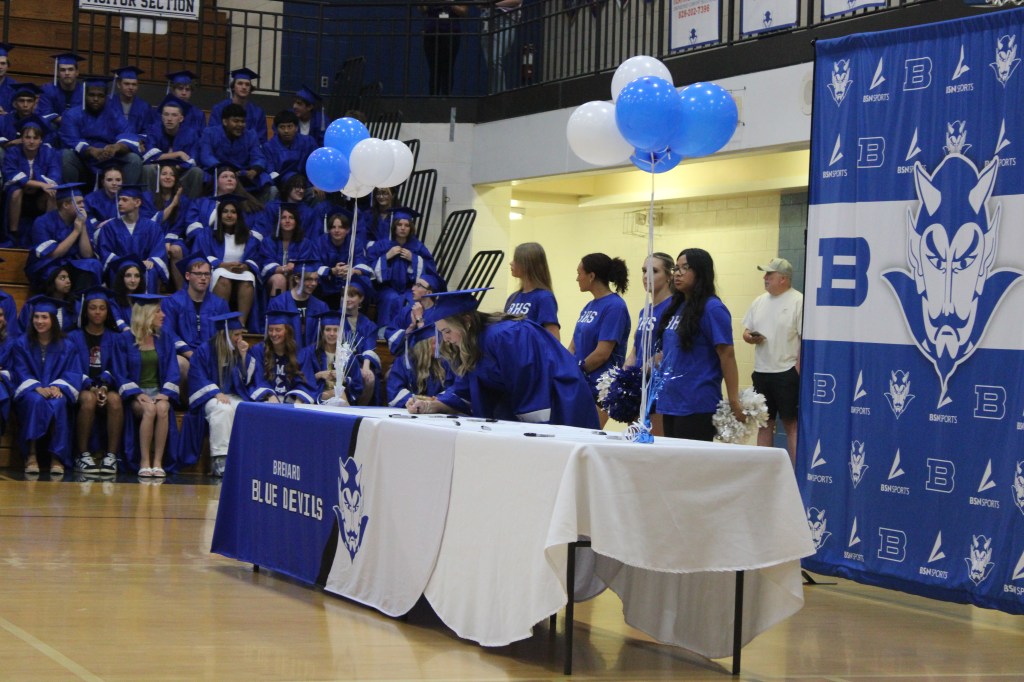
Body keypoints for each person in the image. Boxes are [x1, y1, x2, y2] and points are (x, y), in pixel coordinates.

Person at [406, 288, 599, 428]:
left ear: (467, 322)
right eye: (441, 332)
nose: (446, 339)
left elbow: (530, 382)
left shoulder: (506, 335)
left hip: (561, 399)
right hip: (529, 404)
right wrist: (431, 406)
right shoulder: (471, 344)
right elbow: (464, 391)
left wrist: (528, 430)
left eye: (447, 331)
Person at [654, 248, 744, 441]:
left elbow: (727, 355)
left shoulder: (713, 308)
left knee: (690, 460)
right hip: (670, 401)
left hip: (697, 403)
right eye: (676, 268)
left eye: (685, 268)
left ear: (701, 271)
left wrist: (734, 400)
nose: (677, 273)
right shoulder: (675, 307)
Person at [12, 295, 82, 476]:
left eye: (44, 317)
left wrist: (58, 386)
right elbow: (19, 369)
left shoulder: (67, 345)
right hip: (31, 391)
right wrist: (36, 387)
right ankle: (31, 455)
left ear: (53, 320)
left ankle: (56, 457)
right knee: (35, 401)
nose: (39, 321)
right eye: (36, 317)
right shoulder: (22, 343)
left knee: (59, 403)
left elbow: (73, 371)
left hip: (55, 390)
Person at [742, 257, 802, 464]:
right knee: (764, 423)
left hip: (786, 372)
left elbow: (804, 339)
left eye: (769, 274)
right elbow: (746, 332)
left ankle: (795, 473)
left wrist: (797, 369)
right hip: (761, 372)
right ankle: (764, 470)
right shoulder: (759, 301)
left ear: (783, 278)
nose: (764, 278)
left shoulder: (798, 301)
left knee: (791, 424)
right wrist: (750, 337)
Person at [116, 293, 182, 477]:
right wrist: (137, 394)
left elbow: (173, 369)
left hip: (158, 391)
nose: (163, 315)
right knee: (150, 410)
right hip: (136, 394)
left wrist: (166, 393)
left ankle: (158, 462)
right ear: (146, 314)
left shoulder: (164, 338)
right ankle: (144, 461)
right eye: (158, 311)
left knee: (162, 408)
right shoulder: (124, 340)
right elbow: (120, 372)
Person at [186, 312, 253, 477]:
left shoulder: (238, 351)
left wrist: (243, 356)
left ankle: (245, 460)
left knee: (246, 409)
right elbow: (197, 376)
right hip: (209, 397)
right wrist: (215, 392)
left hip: (232, 395)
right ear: (226, 334)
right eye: (236, 335)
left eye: (241, 334)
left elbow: (246, 381)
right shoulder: (205, 350)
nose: (240, 338)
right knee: (223, 409)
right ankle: (220, 460)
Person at [67, 287, 123, 475]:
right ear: (85, 311)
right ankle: (83, 454)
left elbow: (117, 365)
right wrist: (91, 387)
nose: (97, 312)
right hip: (82, 386)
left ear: (108, 312)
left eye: (102, 308)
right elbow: (72, 367)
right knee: (88, 399)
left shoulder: (116, 338)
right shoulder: (73, 337)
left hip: (108, 386)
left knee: (115, 400)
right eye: (92, 308)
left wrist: (104, 386)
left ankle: (111, 456)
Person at [570, 252, 630, 426]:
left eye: (579, 273)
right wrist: (566, 368)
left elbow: (603, 353)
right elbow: (573, 346)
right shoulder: (589, 306)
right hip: (581, 383)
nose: (577, 278)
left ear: (591, 276)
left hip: (600, 386)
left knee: (587, 432)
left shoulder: (615, 307)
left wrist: (577, 370)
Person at [623, 252, 674, 436]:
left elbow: (670, 349)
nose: (646, 276)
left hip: (658, 387)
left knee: (655, 443)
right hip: (639, 385)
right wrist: (625, 375)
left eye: (654, 271)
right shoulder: (644, 311)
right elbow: (636, 348)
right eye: (644, 271)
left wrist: (648, 366)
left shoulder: (674, 308)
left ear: (669, 276)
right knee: (633, 441)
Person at [58, 75, 141, 186]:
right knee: (67, 155)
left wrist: (115, 147)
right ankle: (72, 194)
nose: (96, 99)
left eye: (100, 96)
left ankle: (126, 195)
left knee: (133, 159)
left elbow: (128, 134)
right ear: (84, 95)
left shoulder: (114, 114)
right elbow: (71, 140)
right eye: (91, 95)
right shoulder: (72, 115)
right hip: (83, 162)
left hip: (109, 162)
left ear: (106, 97)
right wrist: (91, 150)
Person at [192, 195, 261, 328]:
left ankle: (240, 324)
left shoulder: (248, 236)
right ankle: (220, 323)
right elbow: (200, 255)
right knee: (223, 279)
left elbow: (256, 257)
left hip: (241, 272)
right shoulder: (208, 234)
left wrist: (245, 266)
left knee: (249, 279)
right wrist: (222, 265)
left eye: (233, 212)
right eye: (225, 212)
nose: (229, 215)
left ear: (238, 216)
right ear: (219, 215)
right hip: (216, 270)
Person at [368, 206, 440, 327]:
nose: (403, 228)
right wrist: (386, 257)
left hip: (410, 289)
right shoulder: (382, 245)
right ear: (394, 226)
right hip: (387, 289)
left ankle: (411, 331)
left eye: (406, 225)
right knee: (390, 299)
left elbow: (430, 269)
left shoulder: (418, 247)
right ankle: (386, 332)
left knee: (412, 301)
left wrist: (414, 259)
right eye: (399, 224)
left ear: (410, 228)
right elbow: (369, 266)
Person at [94, 184, 169, 293]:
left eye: (124, 200)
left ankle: (147, 302)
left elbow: (158, 250)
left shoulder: (152, 227)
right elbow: (105, 252)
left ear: (137, 203)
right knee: (118, 270)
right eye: (119, 200)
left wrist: (151, 260)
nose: (119, 203)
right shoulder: (110, 227)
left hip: (144, 266)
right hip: (120, 265)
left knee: (151, 270)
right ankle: (120, 302)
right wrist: (126, 263)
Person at [4, 115, 61, 246]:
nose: (31, 141)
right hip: (17, 195)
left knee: (52, 192)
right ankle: (13, 234)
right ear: (21, 139)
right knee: (16, 192)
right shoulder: (13, 152)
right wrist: (39, 183)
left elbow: (54, 177)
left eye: (35, 138)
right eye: (27, 137)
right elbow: (12, 175)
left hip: (39, 197)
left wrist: (41, 185)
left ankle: (48, 233)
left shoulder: (49, 153)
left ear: (41, 140)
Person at [199, 103, 271, 198]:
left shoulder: (251, 135)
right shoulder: (210, 133)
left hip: (242, 174)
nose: (240, 125)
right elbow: (206, 156)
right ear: (225, 122)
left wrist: (254, 170)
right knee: (199, 174)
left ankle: (258, 207)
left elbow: (258, 157)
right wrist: (224, 170)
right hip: (217, 172)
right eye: (236, 121)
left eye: (243, 121)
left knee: (265, 179)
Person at [141, 95, 203, 198]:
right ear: (161, 117)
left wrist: (173, 170)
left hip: (181, 173)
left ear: (181, 118)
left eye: (174, 115)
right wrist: (178, 154)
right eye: (166, 114)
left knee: (197, 172)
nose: (169, 119)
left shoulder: (191, 134)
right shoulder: (154, 130)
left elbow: (192, 160)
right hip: (158, 172)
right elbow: (149, 156)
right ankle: (149, 204)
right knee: (147, 169)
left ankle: (192, 205)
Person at [250, 309, 316, 404]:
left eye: (278, 330)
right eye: (270, 330)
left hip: (291, 401)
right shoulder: (259, 351)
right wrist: (270, 395)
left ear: (287, 331)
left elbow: (305, 381)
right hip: (267, 400)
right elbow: (258, 378)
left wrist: (298, 401)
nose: (273, 334)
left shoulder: (301, 354)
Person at [299, 310, 363, 404]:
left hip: (341, 396)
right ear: (322, 331)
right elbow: (300, 380)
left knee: (339, 394)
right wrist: (318, 375)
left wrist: (345, 379)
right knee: (339, 395)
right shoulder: (310, 353)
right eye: (328, 329)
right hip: (316, 395)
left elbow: (358, 385)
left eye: (336, 330)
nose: (332, 334)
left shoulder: (347, 355)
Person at [312, 208, 371, 308]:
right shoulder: (319, 242)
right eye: (333, 227)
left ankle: (357, 315)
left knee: (364, 281)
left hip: (349, 281)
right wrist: (332, 271)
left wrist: (352, 271)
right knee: (315, 281)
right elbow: (315, 265)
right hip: (327, 283)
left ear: (347, 230)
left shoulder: (355, 243)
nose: (336, 230)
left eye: (341, 227)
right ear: (329, 229)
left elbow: (361, 263)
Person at [386, 322, 453, 408]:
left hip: (435, 410)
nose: (439, 347)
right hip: (408, 409)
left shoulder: (444, 362)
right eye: (435, 343)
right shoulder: (405, 361)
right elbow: (394, 390)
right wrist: (415, 400)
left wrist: (435, 402)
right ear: (424, 346)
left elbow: (451, 389)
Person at [266, 259, 328, 347]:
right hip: (286, 352)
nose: (314, 283)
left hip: (312, 354)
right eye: (309, 279)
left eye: (316, 280)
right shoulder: (278, 303)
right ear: (297, 279)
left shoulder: (321, 307)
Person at [504, 242, 559, 340]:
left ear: (527, 264)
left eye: (516, 260)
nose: (511, 263)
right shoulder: (513, 297)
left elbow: (553, 338)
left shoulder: (544, 297)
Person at [260, 203, 313, 297]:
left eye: (291, 217)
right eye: (284, 218)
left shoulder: (305, 243)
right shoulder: (268, 241)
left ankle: (295, 306)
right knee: (279, 279)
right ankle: (277, 306)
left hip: (296, 277)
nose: (287, 221)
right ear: (279, 222)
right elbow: (266, 264)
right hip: (272, 279)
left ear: (296, 222)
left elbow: (306, 264)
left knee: (296, 279)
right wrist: (283, 269)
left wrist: (293, 269)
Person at [383, 273, 442, 356]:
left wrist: (419, 319)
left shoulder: (438, 315)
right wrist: (410, 328)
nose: (413, 288)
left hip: (425, 360)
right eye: (414, 285)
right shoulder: (407, 310)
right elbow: (389, 332)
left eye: (418, 286)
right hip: (404, 359)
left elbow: (434, 344)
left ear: (429, 292)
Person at [207, 68, 268, 144]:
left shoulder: (258, 113)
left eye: (247, 84)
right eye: (240, 83)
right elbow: (212, 134)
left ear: (250, 88)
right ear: (233, 87)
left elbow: (261, 139)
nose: (244, 87)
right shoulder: (219, 109)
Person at [420, 2, 468, 96]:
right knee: (433, 68)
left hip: (451, 32)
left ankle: (446, 98)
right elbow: (423, 10)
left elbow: (463, 11)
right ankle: (433, 98)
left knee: (448, 68)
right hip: (431, 32)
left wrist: (448, 3)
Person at [262, 110, 316, 191]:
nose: (286, 131)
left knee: (316, 192)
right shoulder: (268, 147)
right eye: (282, 127)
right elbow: (270, 171)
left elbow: (314, 166)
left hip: (305, 185)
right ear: (276, 129)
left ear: (296, 128)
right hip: (281, 186)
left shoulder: (308, 142)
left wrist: (315, 184)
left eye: (290, 126)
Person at [481, 0, 523, 93]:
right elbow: (479, 4)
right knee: (490, 61)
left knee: (494, 59)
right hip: (487, 20)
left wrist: (493, 4)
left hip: (505, 20)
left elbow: (516, 1)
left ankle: (499, 94)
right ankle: (494, 92)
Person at [38, 53, 85, 128]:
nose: (67, 73)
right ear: (58, 73)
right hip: (54, 129)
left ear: (77, 72)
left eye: (70, 69)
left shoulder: (84, 92)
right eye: (63, 70)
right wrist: (67, 121)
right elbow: (45, 112)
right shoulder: (47, 89)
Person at [110, 66, 153, 136]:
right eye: (126, 84)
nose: (131, 87)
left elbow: (147, 130)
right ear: (118, 84)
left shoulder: (144, 107)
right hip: (112, 141)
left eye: (134, 84)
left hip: (136, 141)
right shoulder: (109, 103)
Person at [163, 70, 207, 137]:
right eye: (180, 89)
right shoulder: (164, 111)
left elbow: (202, 137)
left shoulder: (198, 114)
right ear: (173, 90)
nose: (184, 93)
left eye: (187, 89)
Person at [108, 255, 146, 332]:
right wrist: (128, 331)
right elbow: (117, 320)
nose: (133, 280)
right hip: (124, 336)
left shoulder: (143, 300)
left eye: (137, 276)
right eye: (128, 276)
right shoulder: (113, 301)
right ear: (121, 278)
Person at [0, 43, 21, 115]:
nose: (0, 67)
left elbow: (18, 111)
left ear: (7, 66)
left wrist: (5, 114)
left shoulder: (15, 86)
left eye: (3, 63)